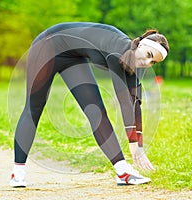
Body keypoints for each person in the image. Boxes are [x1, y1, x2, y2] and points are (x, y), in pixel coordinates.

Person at [10, 22, 169, 187]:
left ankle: (122, 171)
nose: (147, 61)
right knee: (34, 107)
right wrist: (133, 145)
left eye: (153, 62)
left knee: (96, 111)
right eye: (149, 54)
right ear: (140, 44)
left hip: (72, 57)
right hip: (47, 46)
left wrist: (140, 145)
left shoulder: (134, 61)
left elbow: (135, 102)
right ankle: (18, 172)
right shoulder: (117, 50)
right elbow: (124, 101)